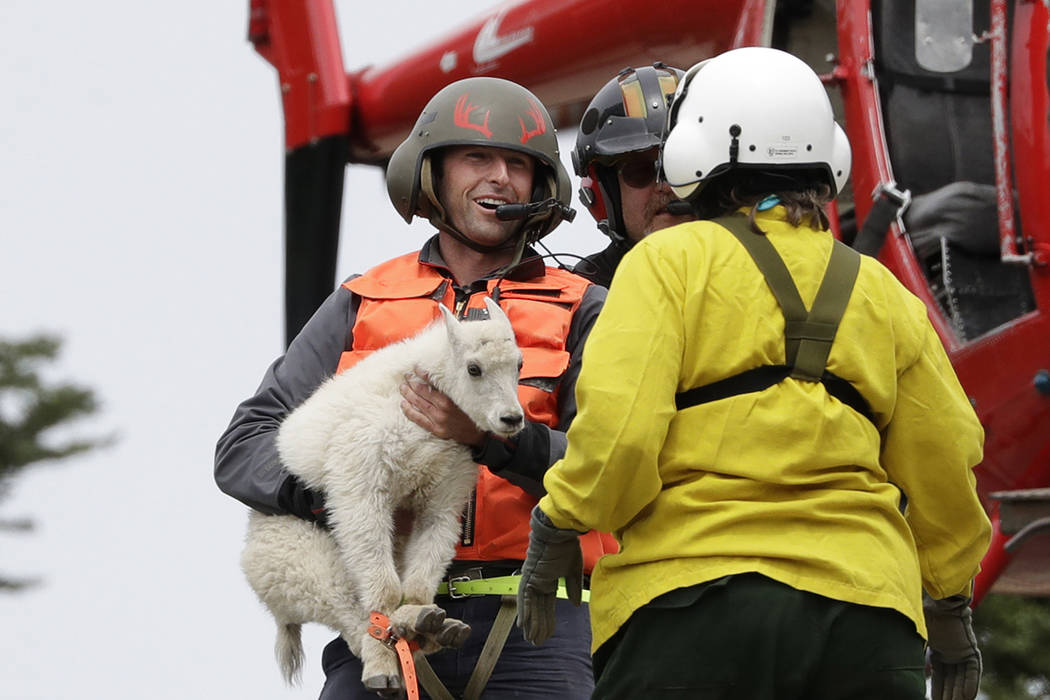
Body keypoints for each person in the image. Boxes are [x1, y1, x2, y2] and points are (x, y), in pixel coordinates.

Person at [516, 47, 992, 700]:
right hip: (865, 624)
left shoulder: (667, 264)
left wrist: (558, 521)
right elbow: (944, 463)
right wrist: (950, 603)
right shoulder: (884, 293)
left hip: (687, 612)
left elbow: (620, 438)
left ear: (695, 150)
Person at [216, 77, 615, 699]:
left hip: (539, 627)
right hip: (381, 624)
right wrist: (338, 495)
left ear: (541, 188)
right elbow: (243, 447)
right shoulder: (362, 301)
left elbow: (613, 470)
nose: (499, 178)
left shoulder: (586, 308)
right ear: (432, 174)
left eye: (518, 164)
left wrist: (490, 441)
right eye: (476, 158)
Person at [570, 63, 694, 287]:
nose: (664, 186)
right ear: (603, 192)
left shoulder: (755, 272)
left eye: (679, 166)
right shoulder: (577, 301)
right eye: (640, 171)